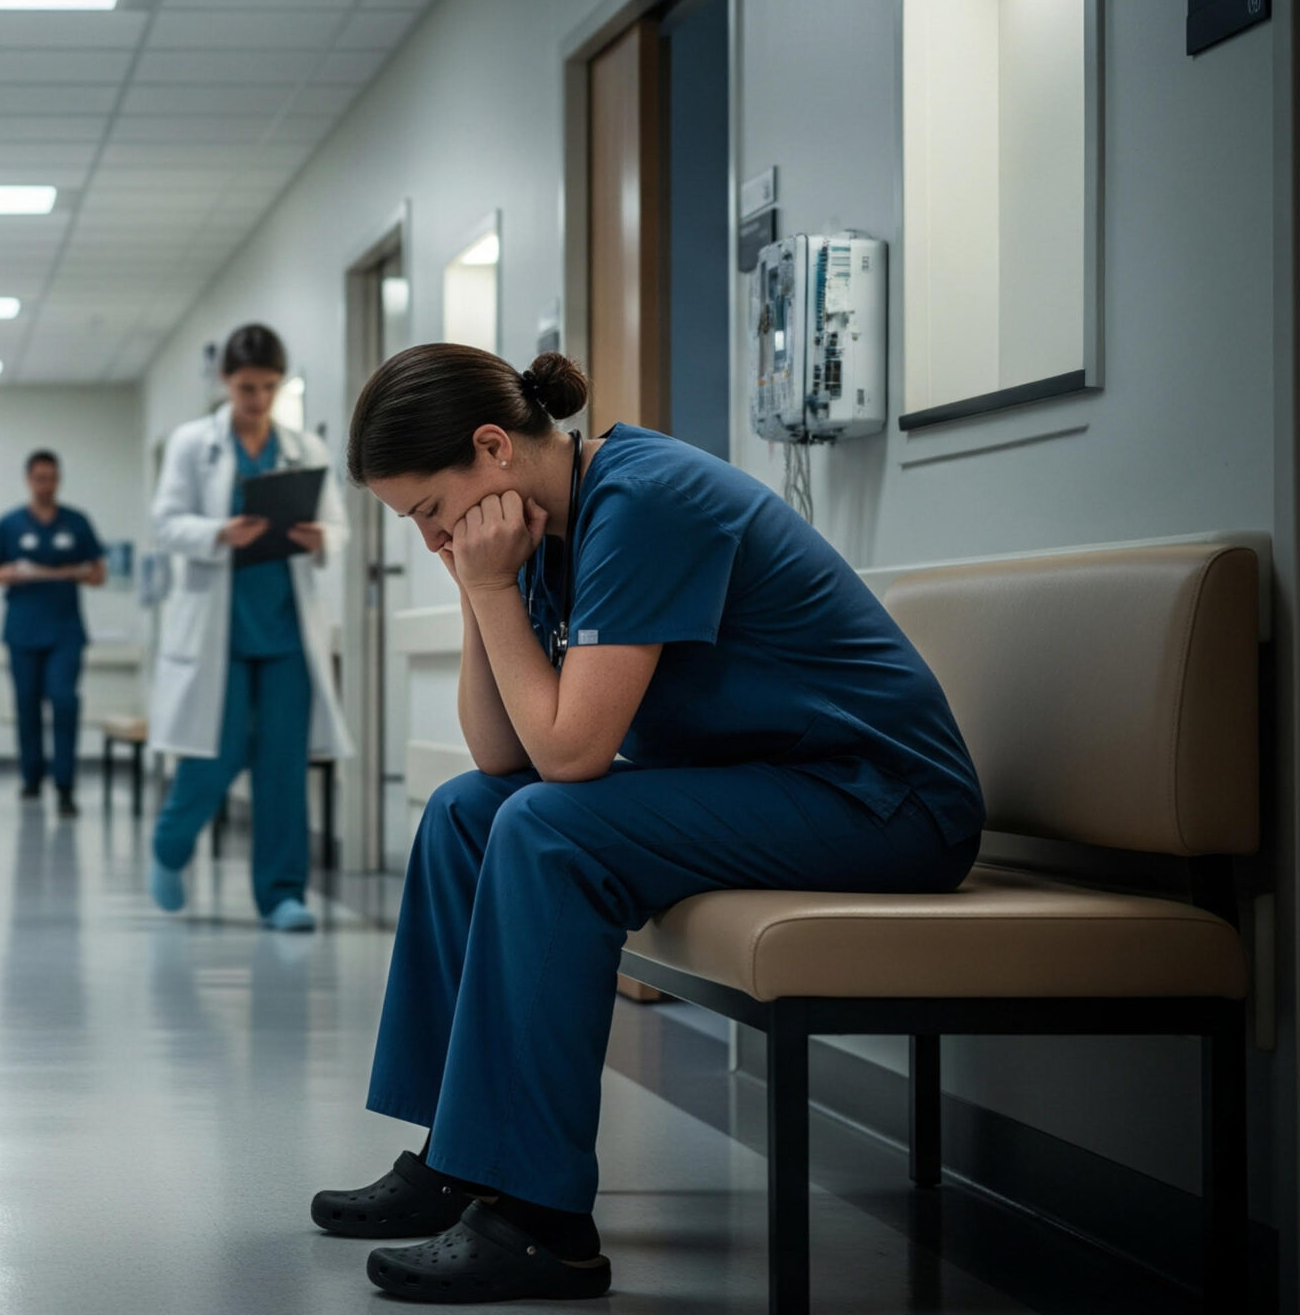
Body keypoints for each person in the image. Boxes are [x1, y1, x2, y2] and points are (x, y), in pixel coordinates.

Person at [312, 345, 982, 1303]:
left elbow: (571, 757)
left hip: (885, 801)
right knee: (468, 812)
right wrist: (477, 584)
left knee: (551, 828)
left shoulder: (644, 501)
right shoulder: (553, 524)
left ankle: (543, 1223)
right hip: (775, 785)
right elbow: (499, 756)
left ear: (493, 447)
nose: (432, 539)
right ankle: (463, 1159)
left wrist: (493, 590)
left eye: (429, 513)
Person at [146, 323, 352, 933]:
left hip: (288, 635)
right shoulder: (192, 443)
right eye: (245, 388)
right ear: (225, 383)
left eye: (266, 387)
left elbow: (337, 527)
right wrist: (217, 532)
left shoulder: (303, 450)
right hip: (221, 632)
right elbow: (166, 522)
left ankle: (281, 895)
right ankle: (170, 846)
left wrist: (321, 539)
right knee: (213, 756)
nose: (256, 399)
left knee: (283, 768)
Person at [0, 451, 106, 818]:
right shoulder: (10, 524)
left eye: (51, 478)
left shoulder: (76, 523)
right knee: (27, 704)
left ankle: (65, 785)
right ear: (28, 480)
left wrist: (71, 572)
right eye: (38, 478)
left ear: (59, 480)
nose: (44, 485)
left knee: (64, 701)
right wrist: (13, 574)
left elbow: (99, 574)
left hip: (65, 630)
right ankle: (31, 777)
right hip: (23, 629)